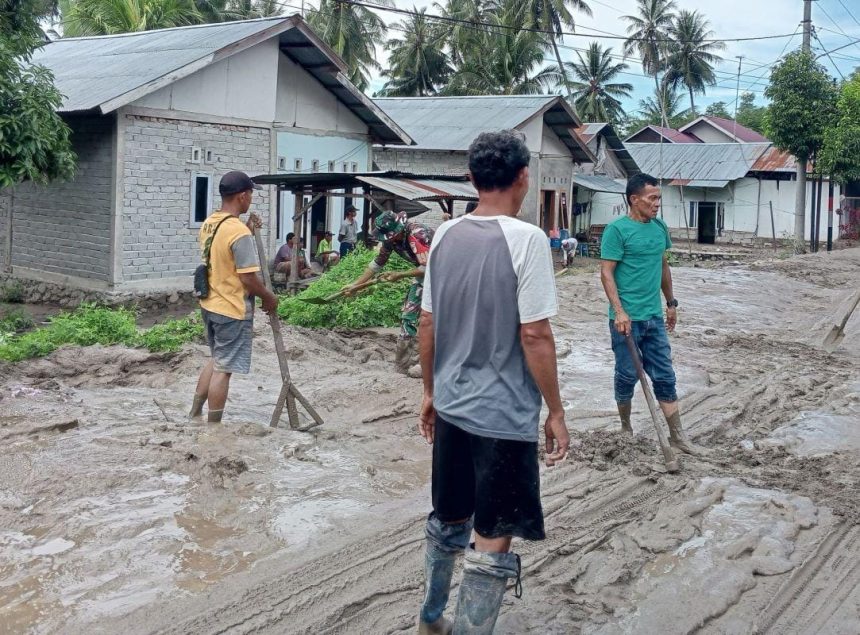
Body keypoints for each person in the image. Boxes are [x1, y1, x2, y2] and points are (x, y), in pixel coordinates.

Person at [415, 130, 570, 634]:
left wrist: (430, 393)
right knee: (493, 535)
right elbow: (535, 335)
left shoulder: (444, 235)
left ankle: (431, 618)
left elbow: (428, 322)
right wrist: (557, 411)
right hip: (502, 417)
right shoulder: (528, 240)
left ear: (471, 178)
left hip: (453, 406)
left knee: (449, 518)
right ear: (524, 177)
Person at [599, 172, 704, 454]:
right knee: (625, 376)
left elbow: (663, 266)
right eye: (652, 198)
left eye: (659, 198)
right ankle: (625, 426)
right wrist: (618, 311)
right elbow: (606, 272)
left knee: (665, 376)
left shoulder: (659, 228)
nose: (657, 204)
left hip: (653, 318)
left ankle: (677, 435)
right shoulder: (617, 230)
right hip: (626, 321)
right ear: (634, 200)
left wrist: (671, 303)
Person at [189, 171, 278, 424]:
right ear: (242, 196)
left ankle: (194, 413)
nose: (251, 199)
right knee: (224, 370)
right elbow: (248, 279)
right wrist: (269, 297)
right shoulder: (238, 233)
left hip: (210, 303)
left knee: (217, 359)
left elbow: (222, 254)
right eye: (250, 194)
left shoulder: (211, 223)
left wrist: (247, 229)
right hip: (231, 308)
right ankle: (214, 427)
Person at [341, 211, 433, 375]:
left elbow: (429, 266)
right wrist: (355, 285)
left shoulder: (417, 234)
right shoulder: (391, 241)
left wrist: (400, 275)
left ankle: (430, 363)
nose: (387, 239)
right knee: (408, 315)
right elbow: (377, 264)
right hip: (422, 278)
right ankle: (404, 364)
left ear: (398, 230)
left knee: (431, 318)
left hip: (444, 276)